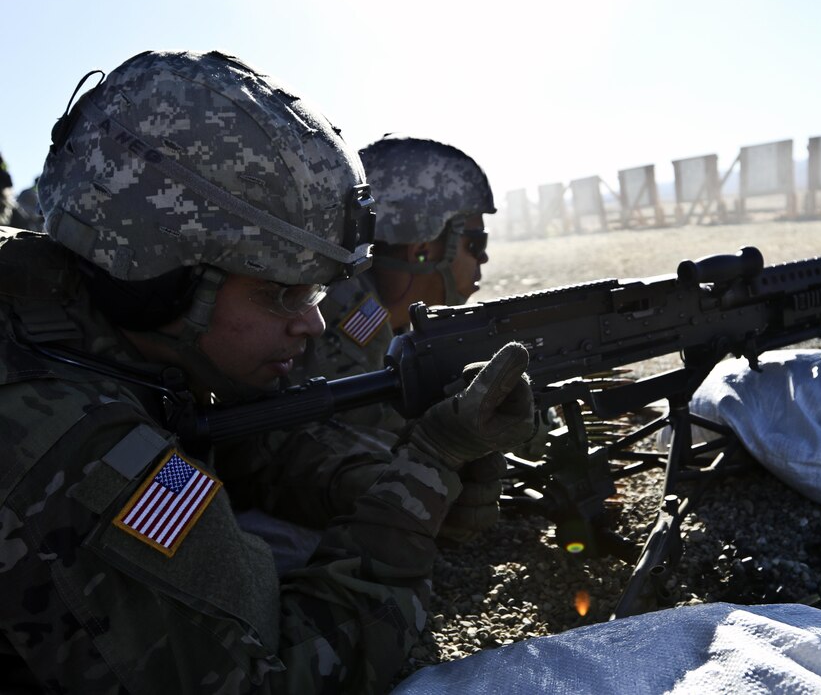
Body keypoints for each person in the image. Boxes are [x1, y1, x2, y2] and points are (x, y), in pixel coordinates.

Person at [0, 49, 534, 693]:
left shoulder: (78, 323)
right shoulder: (67, 441)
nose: (312, 325)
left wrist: (373, 483)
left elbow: (245, 445)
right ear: (163, 284)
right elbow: (276, 678)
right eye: (281, 295)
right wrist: (417, 490)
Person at [290, 136, 504, 544]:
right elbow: (369, 437)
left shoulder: (379, 316)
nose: (484, 259)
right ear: (424, 249)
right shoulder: (347, 314)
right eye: (476, 243)